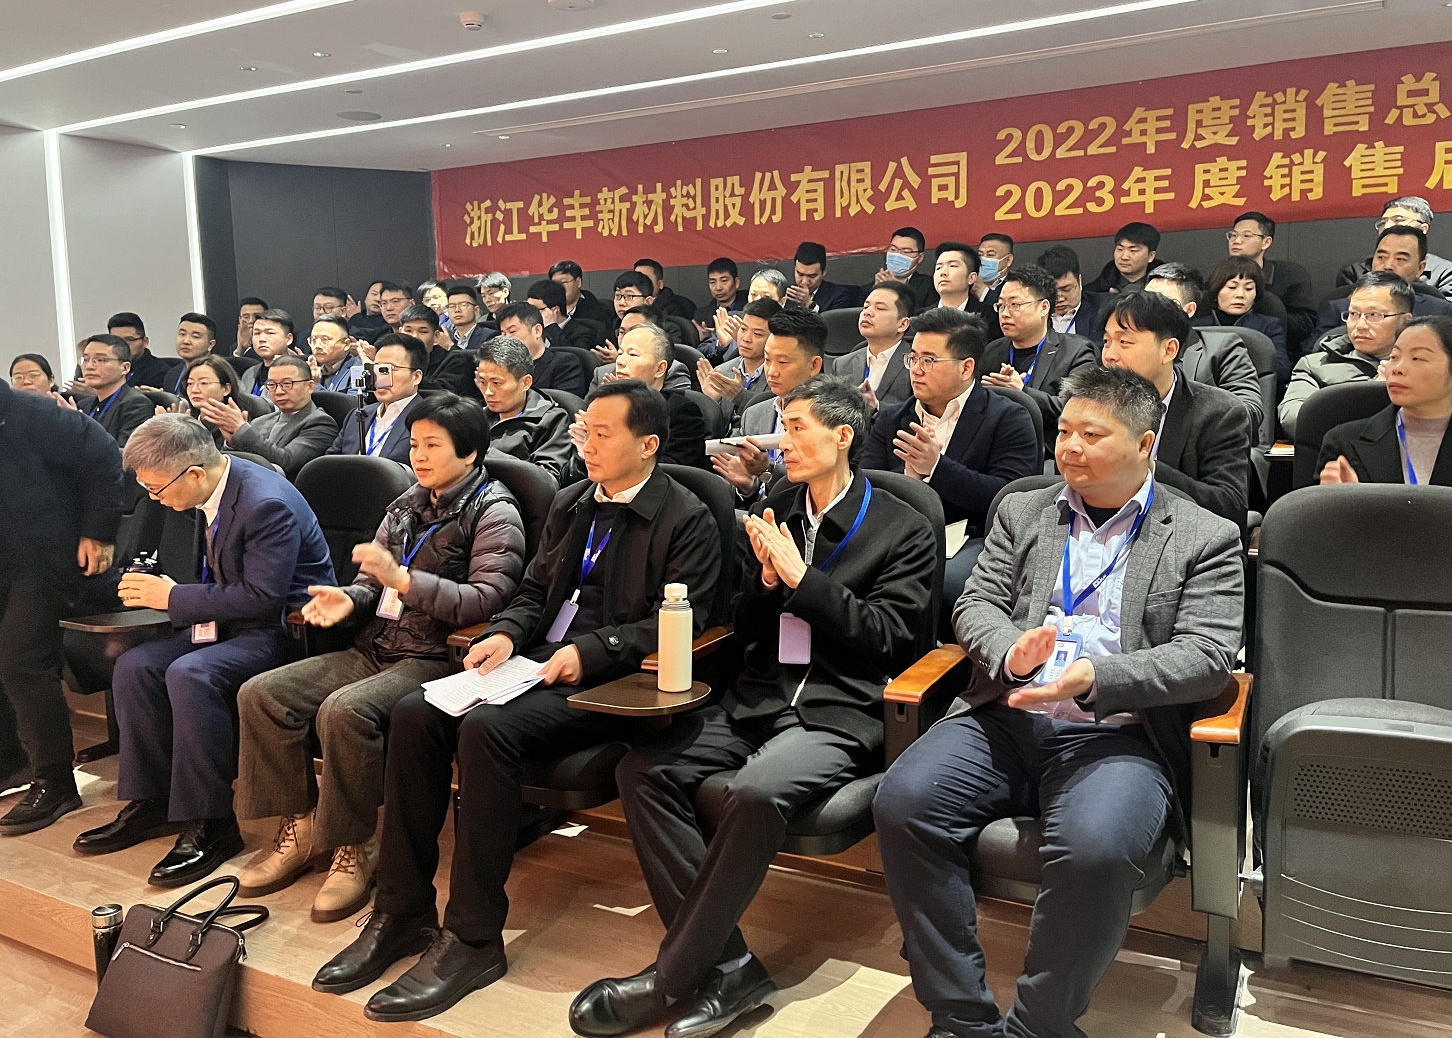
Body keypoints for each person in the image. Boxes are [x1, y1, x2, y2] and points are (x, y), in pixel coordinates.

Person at [314, 380, 720, 1022]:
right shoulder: (573, 502)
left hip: (617, 683)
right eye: (584, 431)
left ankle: (473, 937)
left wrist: (595, 651)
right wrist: (504, 632)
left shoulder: (686, 516)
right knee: (416, 712)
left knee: (486, 731)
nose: (586, 445)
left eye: (602, 434)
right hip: (538, 664)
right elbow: (534, 592)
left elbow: (683, 620)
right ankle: (402, 910)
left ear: (648, 445)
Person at [873, 365, 1243, 1038]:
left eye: (1091, 434)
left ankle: (1039, 1025)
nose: (1069, 446)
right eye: (1064, 430)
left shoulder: (1203, 534)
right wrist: (1010, 651)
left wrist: (1099, 677)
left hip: (1119, 732)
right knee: (903, 802)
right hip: (1008, 714)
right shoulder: (1024, 509)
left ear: (1145, 443)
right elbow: (976, 603)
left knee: (1096, 847)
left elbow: (1207, 654)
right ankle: (960, 1015)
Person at [570, 377, 937, 1038]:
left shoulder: (901, 526)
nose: (781, 442)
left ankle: (671, 975)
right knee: (641, 769)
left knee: (755, 790)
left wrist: (802, 579)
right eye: (782, 427)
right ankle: (732, 965)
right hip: (760, 694)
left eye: (796, 428)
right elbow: (744, 623)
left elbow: (889, 638)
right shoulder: (776, 508)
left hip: (840, 705)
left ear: (843, 435)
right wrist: (768, 585)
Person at [234, 393, 525, 919]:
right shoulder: (405, 504)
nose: (419, 455)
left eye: (433, 445)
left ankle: (356, 846)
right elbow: (373, 583)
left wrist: (406, 581)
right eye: (414, 444)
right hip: (377, 644)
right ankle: (298, 829)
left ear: (470, 452)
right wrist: (349, 598)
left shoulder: (495, 512)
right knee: (263, 694)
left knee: (345, 710)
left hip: (438, 657)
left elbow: (487, 601)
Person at [73, 416, 335, 886]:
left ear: (194, 473)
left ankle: (212, 823)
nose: (153, 498)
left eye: (156, 488)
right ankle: (154, 802)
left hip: (283, 631)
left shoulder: (266, 503)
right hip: (225, 622)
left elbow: (262, 598)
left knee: (190, 674)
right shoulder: (210, 490)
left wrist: (171, 597)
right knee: (135, 665)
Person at [0, 380, 127, 834]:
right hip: (7, 559)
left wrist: (99, 531)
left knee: (21, 660)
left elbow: (105, 457)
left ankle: (55, 782)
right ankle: (12, 765)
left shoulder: (34, 415)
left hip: (54, 561)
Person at [862, 308, 1039, 617]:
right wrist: (909, 478)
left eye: (929, 360)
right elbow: (867, 484)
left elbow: (1009, 498)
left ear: (966, 367)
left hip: (972, 536)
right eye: (913, 358)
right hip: (897, 531)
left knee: (939, 584)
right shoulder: (892, 418)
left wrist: (936, 468)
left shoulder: (1008, 417)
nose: (916, 370)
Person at [1100, 292, 1252, 525]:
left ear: (1169, 350)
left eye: (1124, 342)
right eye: (1106, 341)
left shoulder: (1220, 414)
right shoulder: (1094, 406)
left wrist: (1146, 468)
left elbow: (1229, 506)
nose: (1109, 355)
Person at [1319, 317, 1452, 493]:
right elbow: (1316, 512)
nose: (1398, 368)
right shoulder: (1343, 441)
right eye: (1394, 357)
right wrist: (1342, 501)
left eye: (1417, 358)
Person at [977, 264, 1099, 448]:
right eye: (1001, 305)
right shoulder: (991, 351)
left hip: (1049, 452)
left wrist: (1022, 393)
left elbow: (1078, 409)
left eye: (1015, 305)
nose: (1005, 313)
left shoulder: (1076, 351)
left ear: (1043, 307)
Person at [1280, 272, 1414, 438]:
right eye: (1354, 314)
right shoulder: (1315, 365)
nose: (1360, 325)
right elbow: (1293, 420)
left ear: (1405, 320)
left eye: (1374, 315)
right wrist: (1373, 395)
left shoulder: (1426, 365)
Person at [712, 309, 825, 505]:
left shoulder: (830, 418)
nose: (771, 371)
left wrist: (767, 470)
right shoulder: (754, 414)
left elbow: (820, 486)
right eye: (767, 360)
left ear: (814, 365)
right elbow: (748, 492)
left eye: (782, 362)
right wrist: (748, 487)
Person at [1144, 265, 1266, 439]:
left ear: (1189, 310)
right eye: (1145, 301)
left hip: (1204, 446)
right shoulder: (1126, 348)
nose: (1149, 310)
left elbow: (1249, 412)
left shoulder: (1222, 347)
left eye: (1162, 303)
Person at [1314, 225, 1452, 342]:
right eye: (1381, 257)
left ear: (1420, 268)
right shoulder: (1337, 307)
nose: (1388, 266)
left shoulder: (1439, 311)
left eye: (1400, 259)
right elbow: (1314, 355)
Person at [1333, 196, 1452, 314]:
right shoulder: (1354, 271)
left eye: (1398, 220)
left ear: (1423, 229)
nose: (1388, 226)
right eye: (1383, 222)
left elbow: (1449, 317)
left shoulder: (1445, 272)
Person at [213, 355, 338, 479]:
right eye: (272, 384)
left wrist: (243, 431)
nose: (278, 391)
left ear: (310, 386)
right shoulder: (260, 421)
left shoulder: (320, 423)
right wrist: (232, 441)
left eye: (287, 384)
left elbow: (286, 462)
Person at [608, 324, 710, 469]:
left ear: (659, 369)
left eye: (632, 355)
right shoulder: (607, 406)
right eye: (620, 353)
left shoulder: (680, 412)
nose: (620, 362)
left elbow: (672, 468)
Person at [475, 335, 574, 480]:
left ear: (526, 383)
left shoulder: (550, 420)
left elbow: (547, 479)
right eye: (483, 382)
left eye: (496, 383)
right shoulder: (477, 416)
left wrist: (487, 453)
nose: (488, 392)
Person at [1225, 211, 1317, 355]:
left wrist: (1264, 317)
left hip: (1277, 352)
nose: (1236, 241)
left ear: (1266, 242)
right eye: (1233, 235)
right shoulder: (1220, 277)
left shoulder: (1291, 275)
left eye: (1246, 235)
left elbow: (1305, 325)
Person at [326, 334, 427, 464]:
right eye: (376, 369)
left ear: (416, 377)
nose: (380, 378)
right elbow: (329, 463)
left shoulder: (428, 418)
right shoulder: (358, 415)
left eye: (389, 370)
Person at [1201, 257, 1291, 383]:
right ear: (1216, 291)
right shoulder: (1198, 326)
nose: (1240, 295)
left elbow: (1282, 370)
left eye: (1248, 288)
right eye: (1232, 287)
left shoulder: (1269, 326)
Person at [697, 297, 780, 430]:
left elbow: (771, 417)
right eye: (743, 329)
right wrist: (711, 403)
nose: (746, 339)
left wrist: (739, 396)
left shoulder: (779, 375)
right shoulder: (722, 371)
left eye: (757, 334)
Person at [828, 284, 915, 410]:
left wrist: (876, 406)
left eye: (880, 308)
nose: (867, 312)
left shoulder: (916, 363)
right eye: (866, 307)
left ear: (902, 324)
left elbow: (917, 412)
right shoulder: (842, 364)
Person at [74, 333, 155, 447]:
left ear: (125, 368)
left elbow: (124, 452)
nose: (89, 366)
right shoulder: (84, 405)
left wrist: (81, 427)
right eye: (86, 359)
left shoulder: (137, 405)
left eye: (100, 360)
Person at [496, 300, 588, 398]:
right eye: (503, 334)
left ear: (537, 331)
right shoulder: (500, 366)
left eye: (512, 331)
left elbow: (565, 403)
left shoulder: (565, 363)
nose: (507, 339)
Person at [176, 355, 268, 449]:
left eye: (204, 383)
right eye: (190, 383)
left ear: (226, 389)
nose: (194, 390)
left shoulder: (236, 424)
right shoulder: (189, 420)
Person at [399, 303, 480, 401]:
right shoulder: (391, 360)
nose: (414, 336)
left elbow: (442, 393)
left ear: (436, 336)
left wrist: (405, 372)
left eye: (423, 331)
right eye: (408, 331)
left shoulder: (456, 360)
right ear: (400, 332)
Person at [932, 241, 998, 341]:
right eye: (938, 268)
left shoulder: (988, 318)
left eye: (952, 266)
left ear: (971, 278)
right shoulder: (920, 316)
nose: (943, 272)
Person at [595, 270, 659, 363]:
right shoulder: (608, 326)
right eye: (618, 296)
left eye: (629, 296)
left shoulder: (665, 329)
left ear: (648, 301)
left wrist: (618, 359)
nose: (621, 303)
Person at [1083, 221, 1162, 294]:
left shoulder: (1164, 288)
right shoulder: (1096, 291)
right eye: (1120, 249)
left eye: (1133, 250)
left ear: (1151, 256)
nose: (1124, 257)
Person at [529, 278, 606, 352]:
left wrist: (551, 327)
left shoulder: (583, 333)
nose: (530, 314)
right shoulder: (531, 330)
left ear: (555, 311)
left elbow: (572, 357)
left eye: (535, 309)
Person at [107, 311, 176, 389]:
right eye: (116, 340)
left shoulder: (159, 373)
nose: (122, 345)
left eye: (130, 339)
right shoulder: (105, 368)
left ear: (145, 342)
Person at [240, 309, 298, 397]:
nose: (262, 339)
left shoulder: (298, 373)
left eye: (270, 333)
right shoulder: (249, 373)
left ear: (288, 339)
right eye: (257, 333)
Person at [789, 241, 859, 312]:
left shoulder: (839, 296)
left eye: (812, 276)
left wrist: (810, 305)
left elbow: (834, 319)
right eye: (800, 274)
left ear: (824, 272)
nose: (804, 282)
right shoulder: (789, 295)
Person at [549, 259, 613, 328]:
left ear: (578, 282)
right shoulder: (547, 311)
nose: (558, 288)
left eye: (563, 282)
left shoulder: (597, 311)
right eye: (554, 284)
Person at [309, 314, 362, 395]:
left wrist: (315, 384)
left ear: (346, 344)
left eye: (325, 339)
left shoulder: (359, 369)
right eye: (314, 339)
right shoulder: (311, 371)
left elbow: (355, 401)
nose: (317, 346)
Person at [444, 283, 499, 351]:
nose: (457, 310)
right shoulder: (447, 338)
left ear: (476, 310)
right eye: (452, 306)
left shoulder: (490, 336)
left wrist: (450, 346)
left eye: (463, 305)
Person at [975, 233, 1015, 304]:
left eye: (990, 255)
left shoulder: (1017, 284)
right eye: (980, 255)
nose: (983, 259)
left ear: (1008, 260)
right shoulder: (969, 281)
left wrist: (982, 291)